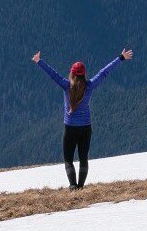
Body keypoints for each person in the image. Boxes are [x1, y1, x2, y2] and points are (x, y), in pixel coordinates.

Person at [32, 47, 133, 189]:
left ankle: (73, 186)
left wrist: (39, 61)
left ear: (72, 73)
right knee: (83, 158)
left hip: (70, 128)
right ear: (84, 74)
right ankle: (80, 186)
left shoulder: (66, 86)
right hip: (86, 128)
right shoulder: (89, 86)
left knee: (68, 159)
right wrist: (120, 58)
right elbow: (104, 73)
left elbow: (52, 74)